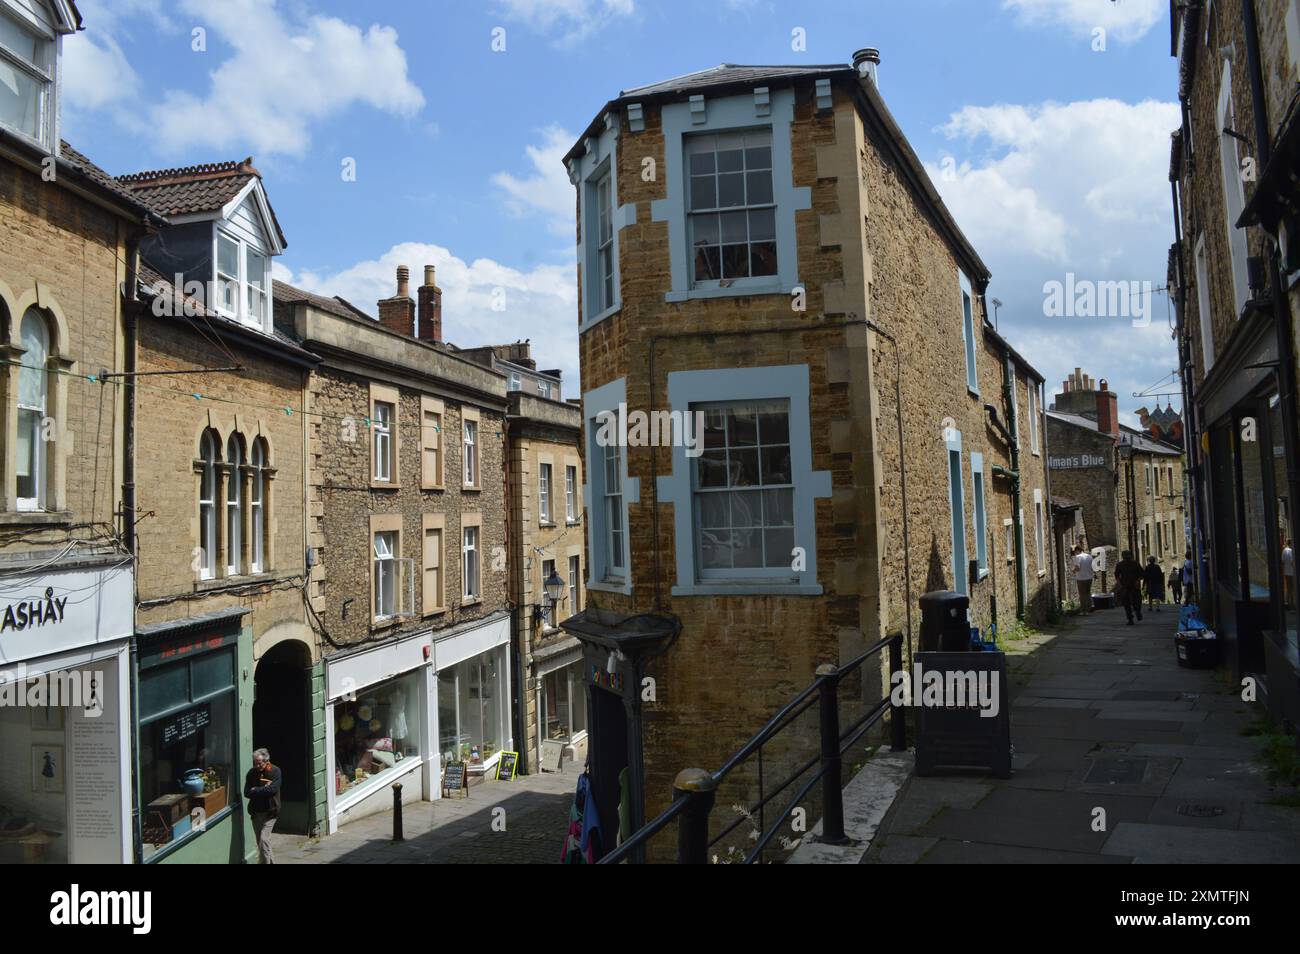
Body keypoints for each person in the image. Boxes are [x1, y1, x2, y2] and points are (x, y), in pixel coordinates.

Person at [244, 747, 281, 864]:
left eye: (259, 763)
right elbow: (247, 792)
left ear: (266, 761)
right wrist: (263, 788)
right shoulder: (251, 773)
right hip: (256, 812)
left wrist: (256, 790)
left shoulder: (275, 771)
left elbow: (272, 790)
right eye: (255, 763)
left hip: (271, 811)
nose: (256, 766)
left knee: (264, 840)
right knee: (261, 843)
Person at [1115, 550, 1144, 625]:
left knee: (1131, 602)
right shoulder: (1122, 564)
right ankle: (1132, 617)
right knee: (1128, 602)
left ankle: (1135, 614)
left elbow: (1141, 574)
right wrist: (1119, 583)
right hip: (1126, 586)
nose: (1126, 558)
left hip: (1131, 585)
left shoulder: (1134, 564)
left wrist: (1137, 581)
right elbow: (1117, 575)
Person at [1072, 544, 1095, 613]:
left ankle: (1083, 610)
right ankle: (1090, 607)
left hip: (1081, 578)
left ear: (1077, 550)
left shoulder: (1077, 557)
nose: (1075, 553)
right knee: (1088, 593)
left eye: (1075, 552)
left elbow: (1077, 568)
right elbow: (1093, 567)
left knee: (1082, 594)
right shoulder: (1089, 556)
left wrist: (1073, 570)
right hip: (1089, 578)